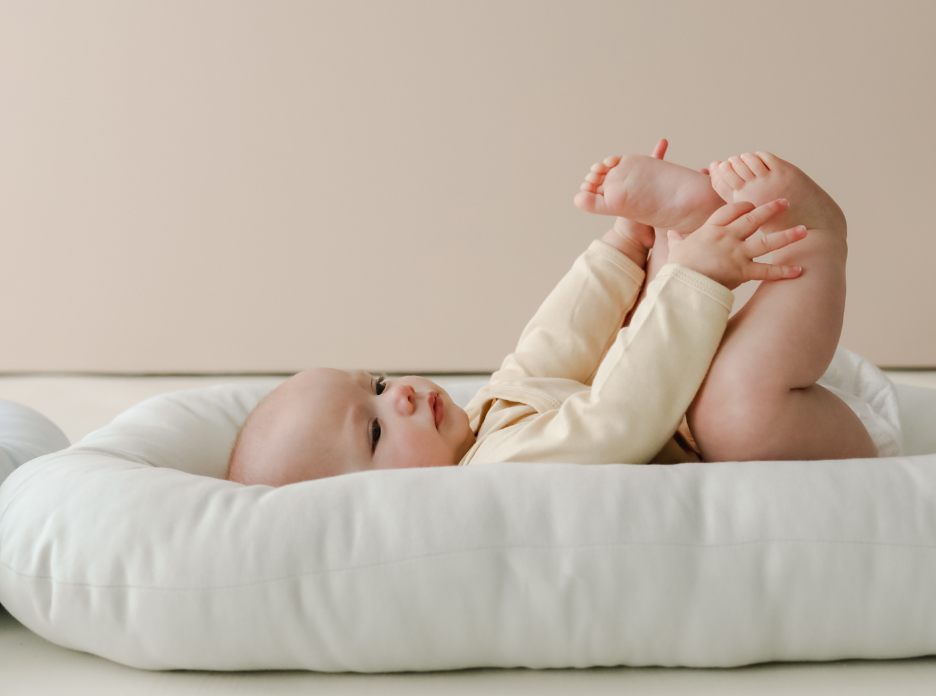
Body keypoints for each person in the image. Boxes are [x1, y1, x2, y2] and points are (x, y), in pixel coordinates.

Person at [225, 142, 885, 486]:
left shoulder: (482, 422)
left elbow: (550, 350)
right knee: (731, 410)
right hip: (748, 440)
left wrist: (621, 254)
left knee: (643, 323)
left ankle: (672, 232)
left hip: (690, 418)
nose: (397, 396)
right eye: (373, 432)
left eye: (375, 383)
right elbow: (616, 423)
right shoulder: (496, 475)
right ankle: (815, 239)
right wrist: (694, 279)